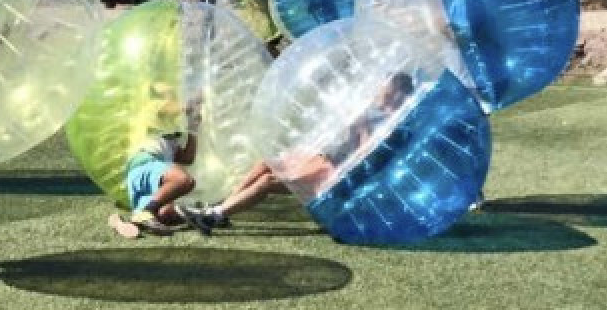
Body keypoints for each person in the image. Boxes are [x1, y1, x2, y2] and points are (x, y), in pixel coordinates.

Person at [181, 72, 415, 232]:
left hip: (338, 175)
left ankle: (214, 216)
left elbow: (366, 159)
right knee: (267, 163)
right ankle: (224, 207)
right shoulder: (374, 109)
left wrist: (361, 126)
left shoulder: (395, 126)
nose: (378, 92)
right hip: (324, 159)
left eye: (385, 89)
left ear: (397, 94)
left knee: (268, 181)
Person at [108, 85, 204, 238]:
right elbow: (183, 106)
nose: (174, 98)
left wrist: (193, 129)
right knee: (183, 180)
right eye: (169, 94)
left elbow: (187, 158)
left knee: (166, 214)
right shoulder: (150, 109)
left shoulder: (169, 137)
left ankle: (133, 218)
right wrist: (202, 92)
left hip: (148, 177)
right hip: (144, 164)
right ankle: (148, 211)